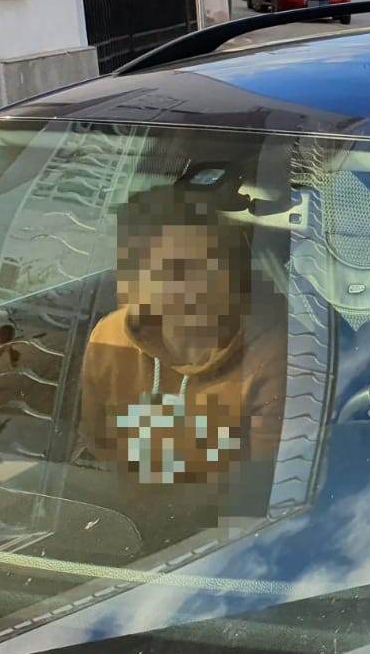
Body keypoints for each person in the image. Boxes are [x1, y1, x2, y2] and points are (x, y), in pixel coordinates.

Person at [79, 183, 285, 499]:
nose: (200, 286)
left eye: (214, 263)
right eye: (176, 271)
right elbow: (100, 447)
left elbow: (261, 491)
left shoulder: (271, 357)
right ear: (136, 282)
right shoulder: (110, 339)